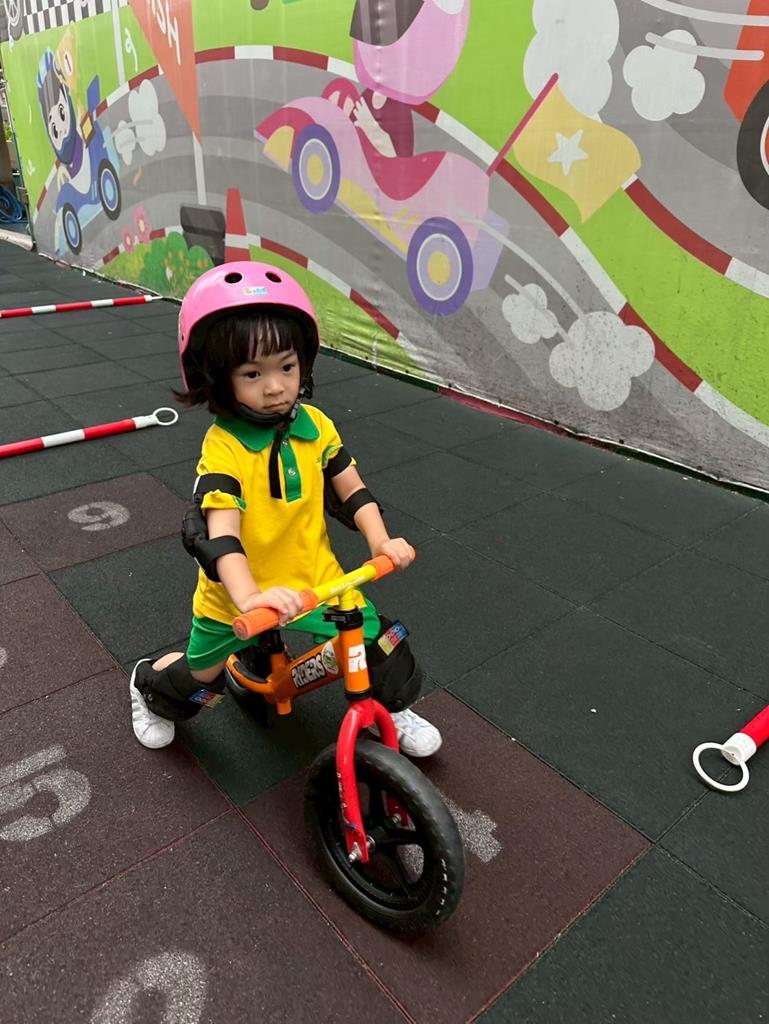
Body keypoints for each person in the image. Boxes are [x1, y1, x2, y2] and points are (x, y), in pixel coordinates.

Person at [129, 261, 441, 757]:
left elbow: (353, 491)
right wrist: (250, 596)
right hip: (237, 594)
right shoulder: (225, 447)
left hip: (314, 577)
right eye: (253, 373)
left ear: (304, 364)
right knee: (197, 681)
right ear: (218, 378)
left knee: (380, 642)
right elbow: (221, 534)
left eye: (287, 367)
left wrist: (380, 541)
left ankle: (389, 707)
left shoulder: (316, 426)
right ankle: (147, 685)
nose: (275, 386)